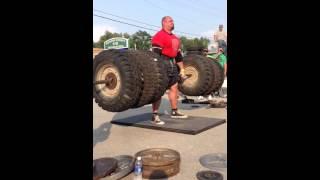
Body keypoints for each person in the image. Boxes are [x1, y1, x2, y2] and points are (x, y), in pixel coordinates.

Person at [150, 16, 189, 125]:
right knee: (160, 89)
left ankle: (174, 111)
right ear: (164, 23)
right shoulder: (159, 36)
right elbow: (155, 55)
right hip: (162, 62)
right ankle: (155, 115)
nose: (173, 22)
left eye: (173, 21)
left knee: (174, 87)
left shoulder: (176, 38)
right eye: (170, 21)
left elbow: (178, 56)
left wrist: (182, 69)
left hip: (172, 63)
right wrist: (156, 68)